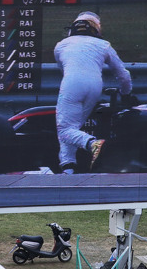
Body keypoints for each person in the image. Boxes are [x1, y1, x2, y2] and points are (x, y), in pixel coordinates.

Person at [54, 12, 132, 174]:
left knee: (65, 129)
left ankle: (92, 143)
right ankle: (68, 167)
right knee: (72, 129)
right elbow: (123, 75)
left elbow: (63, 71)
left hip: (72, 83)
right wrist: (126, 94)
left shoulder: (61, 45)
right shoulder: (103, 45)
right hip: (95, 86)